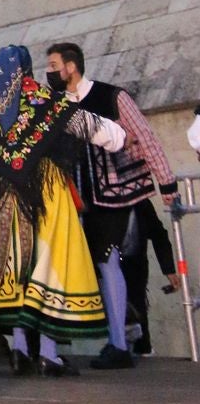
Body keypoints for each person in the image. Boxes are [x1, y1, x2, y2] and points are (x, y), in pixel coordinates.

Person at [0, 45, 123, 375]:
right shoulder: (44, 103)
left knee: (15, 272)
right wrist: (118, 134)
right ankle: (48, 352)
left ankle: (19, 348)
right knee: (48, 267)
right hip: (46, 195)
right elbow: (109, 135)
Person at [45, 41, 179, 370]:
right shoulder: (58, 105)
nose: (49, 72)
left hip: (119, 192)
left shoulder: (111, 97)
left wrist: (167, 183)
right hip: (84, 201)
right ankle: (120, 335)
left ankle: (119, 341)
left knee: (109, 262)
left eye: (52, 65)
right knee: (98, 266)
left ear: (71, 67)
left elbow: (145, 136)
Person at [121, 198, 179, 357]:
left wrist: (169, 270)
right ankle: (127, 347)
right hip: (113, 263)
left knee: (136, 304)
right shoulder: (101, 202)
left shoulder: (141, 204)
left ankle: (142, 348)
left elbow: (159, 235)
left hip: (134, 264)